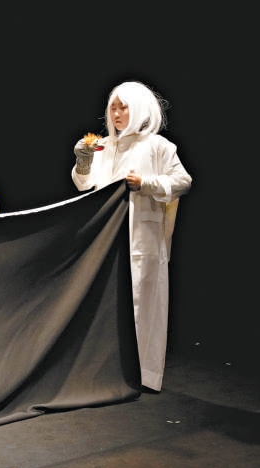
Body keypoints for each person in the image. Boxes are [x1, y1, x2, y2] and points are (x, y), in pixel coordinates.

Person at [71, 81, 192, 393]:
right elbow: (85, 186)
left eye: (123, 107)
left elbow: (182, 181)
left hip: (142, 239)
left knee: (143, 304)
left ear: (138, 109)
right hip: (104, 240)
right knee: (103, 305)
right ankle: (102, 374)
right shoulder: (103, 146)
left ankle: (143, 375)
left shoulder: (157, 146)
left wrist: (147, 183)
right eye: (113, 107)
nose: (116, 113)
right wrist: (83, 162)